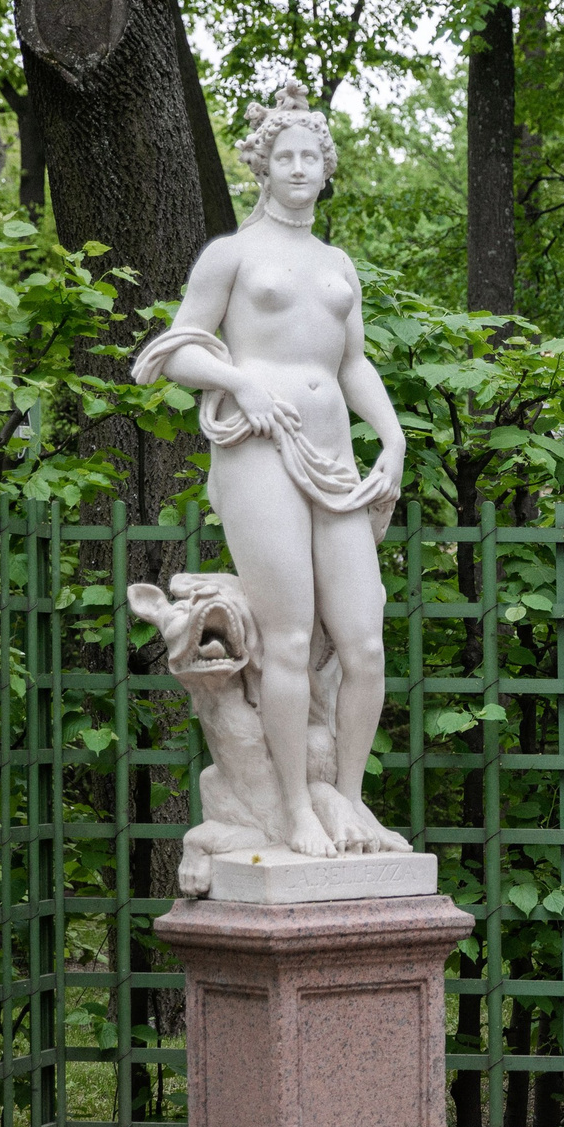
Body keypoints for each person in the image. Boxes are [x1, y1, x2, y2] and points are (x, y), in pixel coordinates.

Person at [132, 81, 406, 859]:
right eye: (282, 155)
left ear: (326, 168)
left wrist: (392, 440)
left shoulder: (336, 263)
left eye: (309, 155)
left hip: (335, 459)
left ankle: (348, 802)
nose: (296, 167)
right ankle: (292, 808)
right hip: (258, 450)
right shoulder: (233, 254)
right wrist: (238, 381)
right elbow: (175, 348)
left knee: (364, 644)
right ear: (262, 166)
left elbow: (353, 363)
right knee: (286, 640)